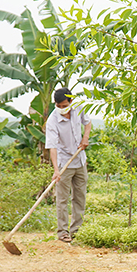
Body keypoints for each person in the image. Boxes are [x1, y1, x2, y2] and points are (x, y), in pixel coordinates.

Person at [44, 87, 92, 243]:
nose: (61, 109)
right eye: (58, 106)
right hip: (64, 162)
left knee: (80, 197)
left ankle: (76, 230)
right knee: (62, 199)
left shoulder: (78, 107)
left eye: (64, 106)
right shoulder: (53, 120)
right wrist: (56, 170)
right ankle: (63, 232)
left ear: (71, 101)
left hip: (80, 159)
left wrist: (85, 138)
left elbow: (88, 122)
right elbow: (52, 147)